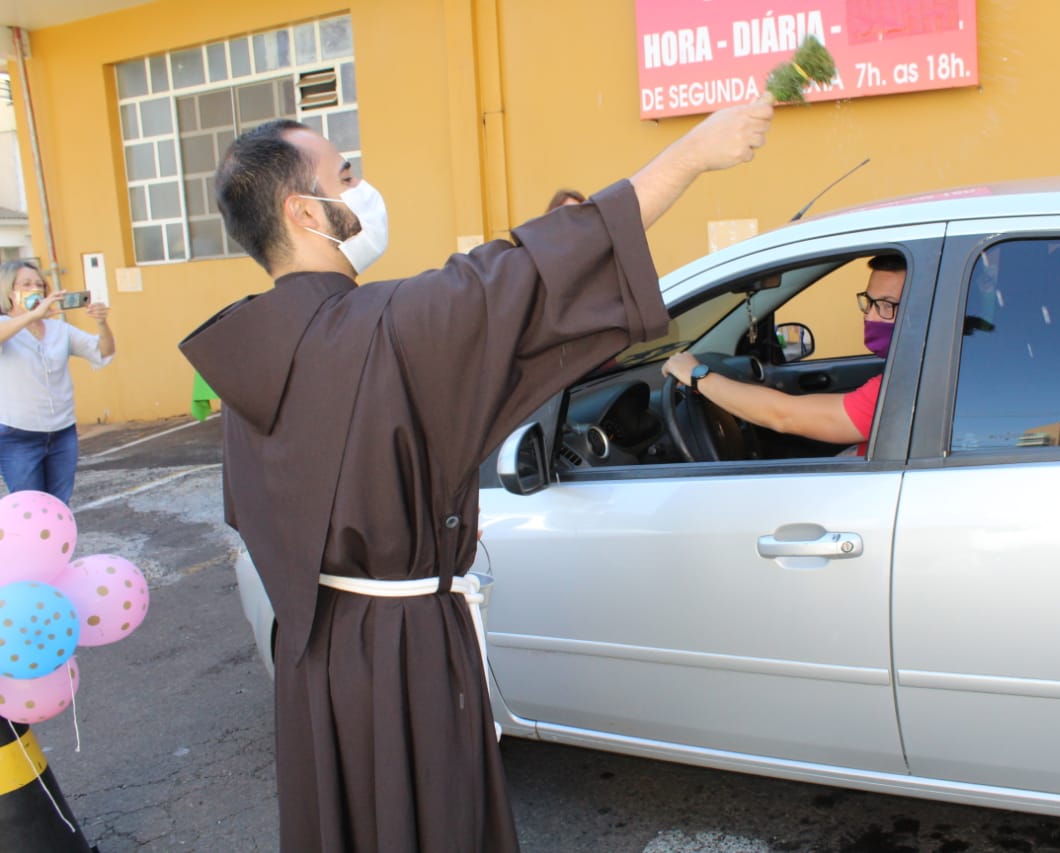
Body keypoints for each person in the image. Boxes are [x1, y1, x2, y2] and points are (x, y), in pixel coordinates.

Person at [179, 98, 772, 853]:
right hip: (404, 651)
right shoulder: (385, 325)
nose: (362, 186)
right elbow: (528, 273)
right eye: (345, 175)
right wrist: (690, 154)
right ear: (303, 210)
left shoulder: (252, 349)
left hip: (317, 654)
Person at [662, 253, 905, 456]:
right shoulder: (907, 372)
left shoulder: (904, 389)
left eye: (886, 305)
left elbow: (784, 415)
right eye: (869, 302)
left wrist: (698, 376)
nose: (870, 315)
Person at [0, 260, 115, 502]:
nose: (35, 289)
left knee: (58, 504)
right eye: (26, 284)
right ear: (9, 290)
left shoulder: (58, 329)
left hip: (62, 432)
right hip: (18, 434)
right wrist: (32, 316)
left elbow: (103, 351)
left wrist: (102, 323)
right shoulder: (5, 326)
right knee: (29, 505)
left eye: (39, 284)